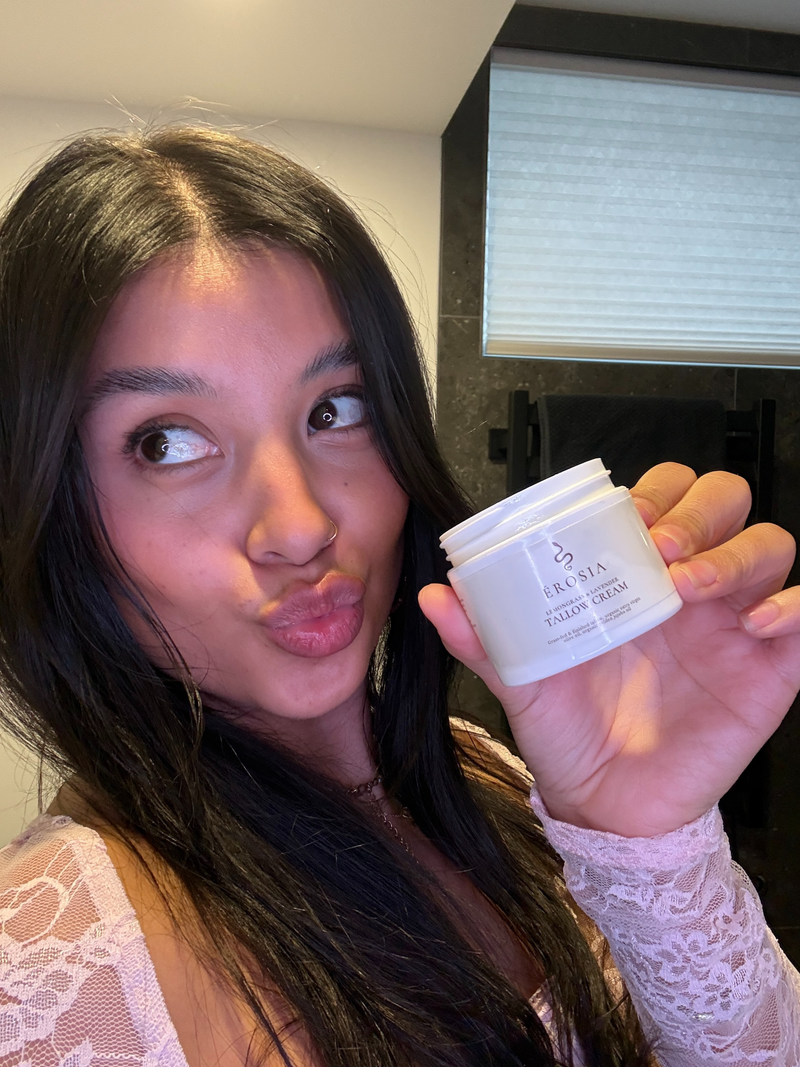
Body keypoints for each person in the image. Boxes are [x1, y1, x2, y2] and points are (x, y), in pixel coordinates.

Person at [0, 127, 798, 1067]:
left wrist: (647, 836)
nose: (301, 525)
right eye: (167, 441)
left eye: (335, 409)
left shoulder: (485, 772)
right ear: (52, 503)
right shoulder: (53, 972)